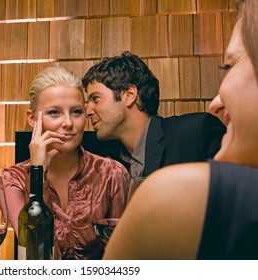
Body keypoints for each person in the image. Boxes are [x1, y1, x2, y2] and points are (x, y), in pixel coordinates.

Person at [104, 0, 258, 260]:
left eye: (229, 66)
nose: (216, 103)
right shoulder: (110, 164)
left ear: (130, 95)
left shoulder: (175, 185)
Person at [0, 66, 127, 259]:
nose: (68, 122)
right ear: (32, 119)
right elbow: (35, 253)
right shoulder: (10, 180)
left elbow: (120, 257)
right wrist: (38, 171)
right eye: (54, 112)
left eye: (76, 111)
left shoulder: (113, 174)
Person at [82, 51, 226, 178]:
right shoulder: (100, 155)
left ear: (129, 95)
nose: (88, 112)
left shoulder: (195, 133)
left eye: (96, 99)